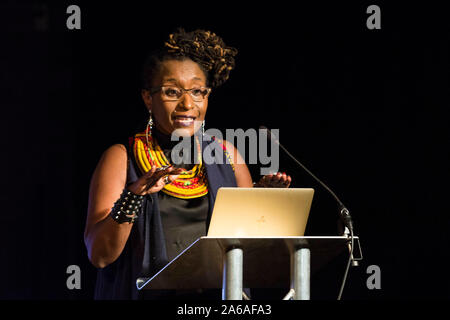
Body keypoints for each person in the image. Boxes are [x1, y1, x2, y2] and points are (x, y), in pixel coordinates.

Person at [84, 28, 292, 300]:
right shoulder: (122, 157)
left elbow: (250, 252)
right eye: (172, 91)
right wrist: (134, 195)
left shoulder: (226, 154)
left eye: (197, 91)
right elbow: (99, 256)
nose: (187, 104)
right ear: (148, 98)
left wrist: (263, 206)